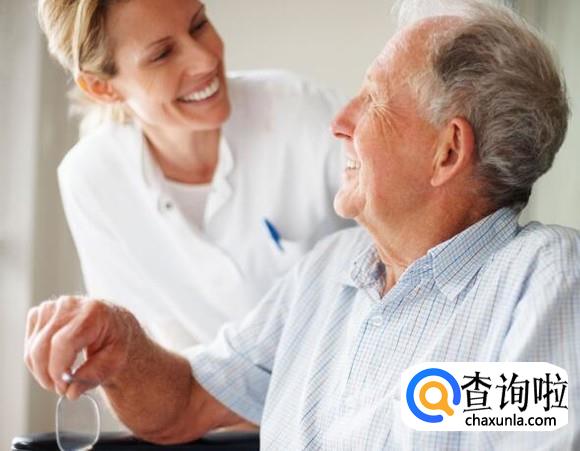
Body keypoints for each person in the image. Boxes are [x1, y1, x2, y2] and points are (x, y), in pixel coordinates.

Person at [25, 1, 580, 449]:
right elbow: (187, 402)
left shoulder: (542, 278)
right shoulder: (327, 272)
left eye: (373, 100)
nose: (339, 122)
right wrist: (123, 345)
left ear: (448, 150)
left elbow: (527, 424)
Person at [37, 0, 350, 350]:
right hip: (204, 385)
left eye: (199, 24)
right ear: (101, 87)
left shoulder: (297, 107)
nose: (206, 60)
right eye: (162, 54)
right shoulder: (91, 180)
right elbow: (138, 347)